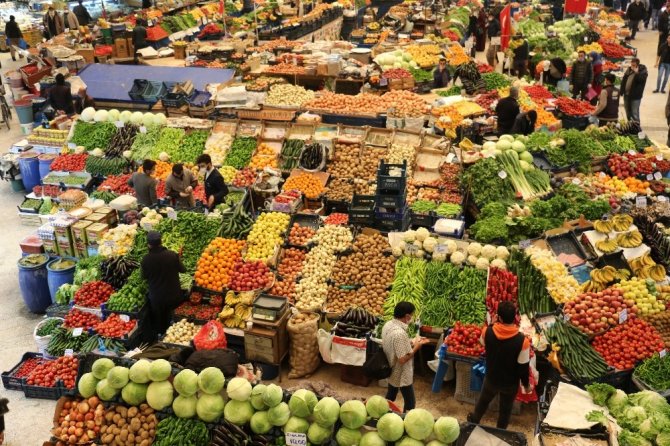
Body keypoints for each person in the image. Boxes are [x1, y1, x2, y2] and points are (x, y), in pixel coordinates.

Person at [467, 301, 530, 430]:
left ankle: (473, 423)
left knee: (482, 403)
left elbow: (482, 342)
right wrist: (526, 384)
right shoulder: (522, 341)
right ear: (515, 317)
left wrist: (492, 324)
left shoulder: (487, 332)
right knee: (505, 410)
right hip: (510, 383)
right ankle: (500, 432)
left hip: (491, 378)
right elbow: (523, 367)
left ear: (499, 317)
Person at [381, 302, 429, 412]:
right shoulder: (399, 333)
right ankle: (406, 419)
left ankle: (383, 411)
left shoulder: (388, 325)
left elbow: (395, 345)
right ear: (407, 316)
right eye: (412, 315)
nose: (412, 318)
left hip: (390, 367)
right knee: (410, 401)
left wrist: (410, 342)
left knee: (391, 395)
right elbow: (402, 359)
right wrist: (417, 346)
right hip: (400, 372)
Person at [141, 231, 186, 342]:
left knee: (160, 322)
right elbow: (183, 270)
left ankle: (161, 339)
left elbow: (144, 277)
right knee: (176, 322)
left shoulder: (145, 260)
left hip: (157, 298)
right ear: (161, 242)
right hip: (173, 295)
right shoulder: (172, 255)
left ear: (148, 245)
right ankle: (177, 340)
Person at [621, 57, 648, 123]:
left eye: (634, 65)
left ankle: (636, 128)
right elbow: (624, 80)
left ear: (637, 65)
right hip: (627, 95)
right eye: (631, 64)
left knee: (634, 113)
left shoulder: (643, 72)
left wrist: (637, 73)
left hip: (635, 96)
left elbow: (641, 80)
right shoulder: (629, 69)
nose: (632, 66)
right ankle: (630, 126)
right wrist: (621, 91)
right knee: (627, 111)